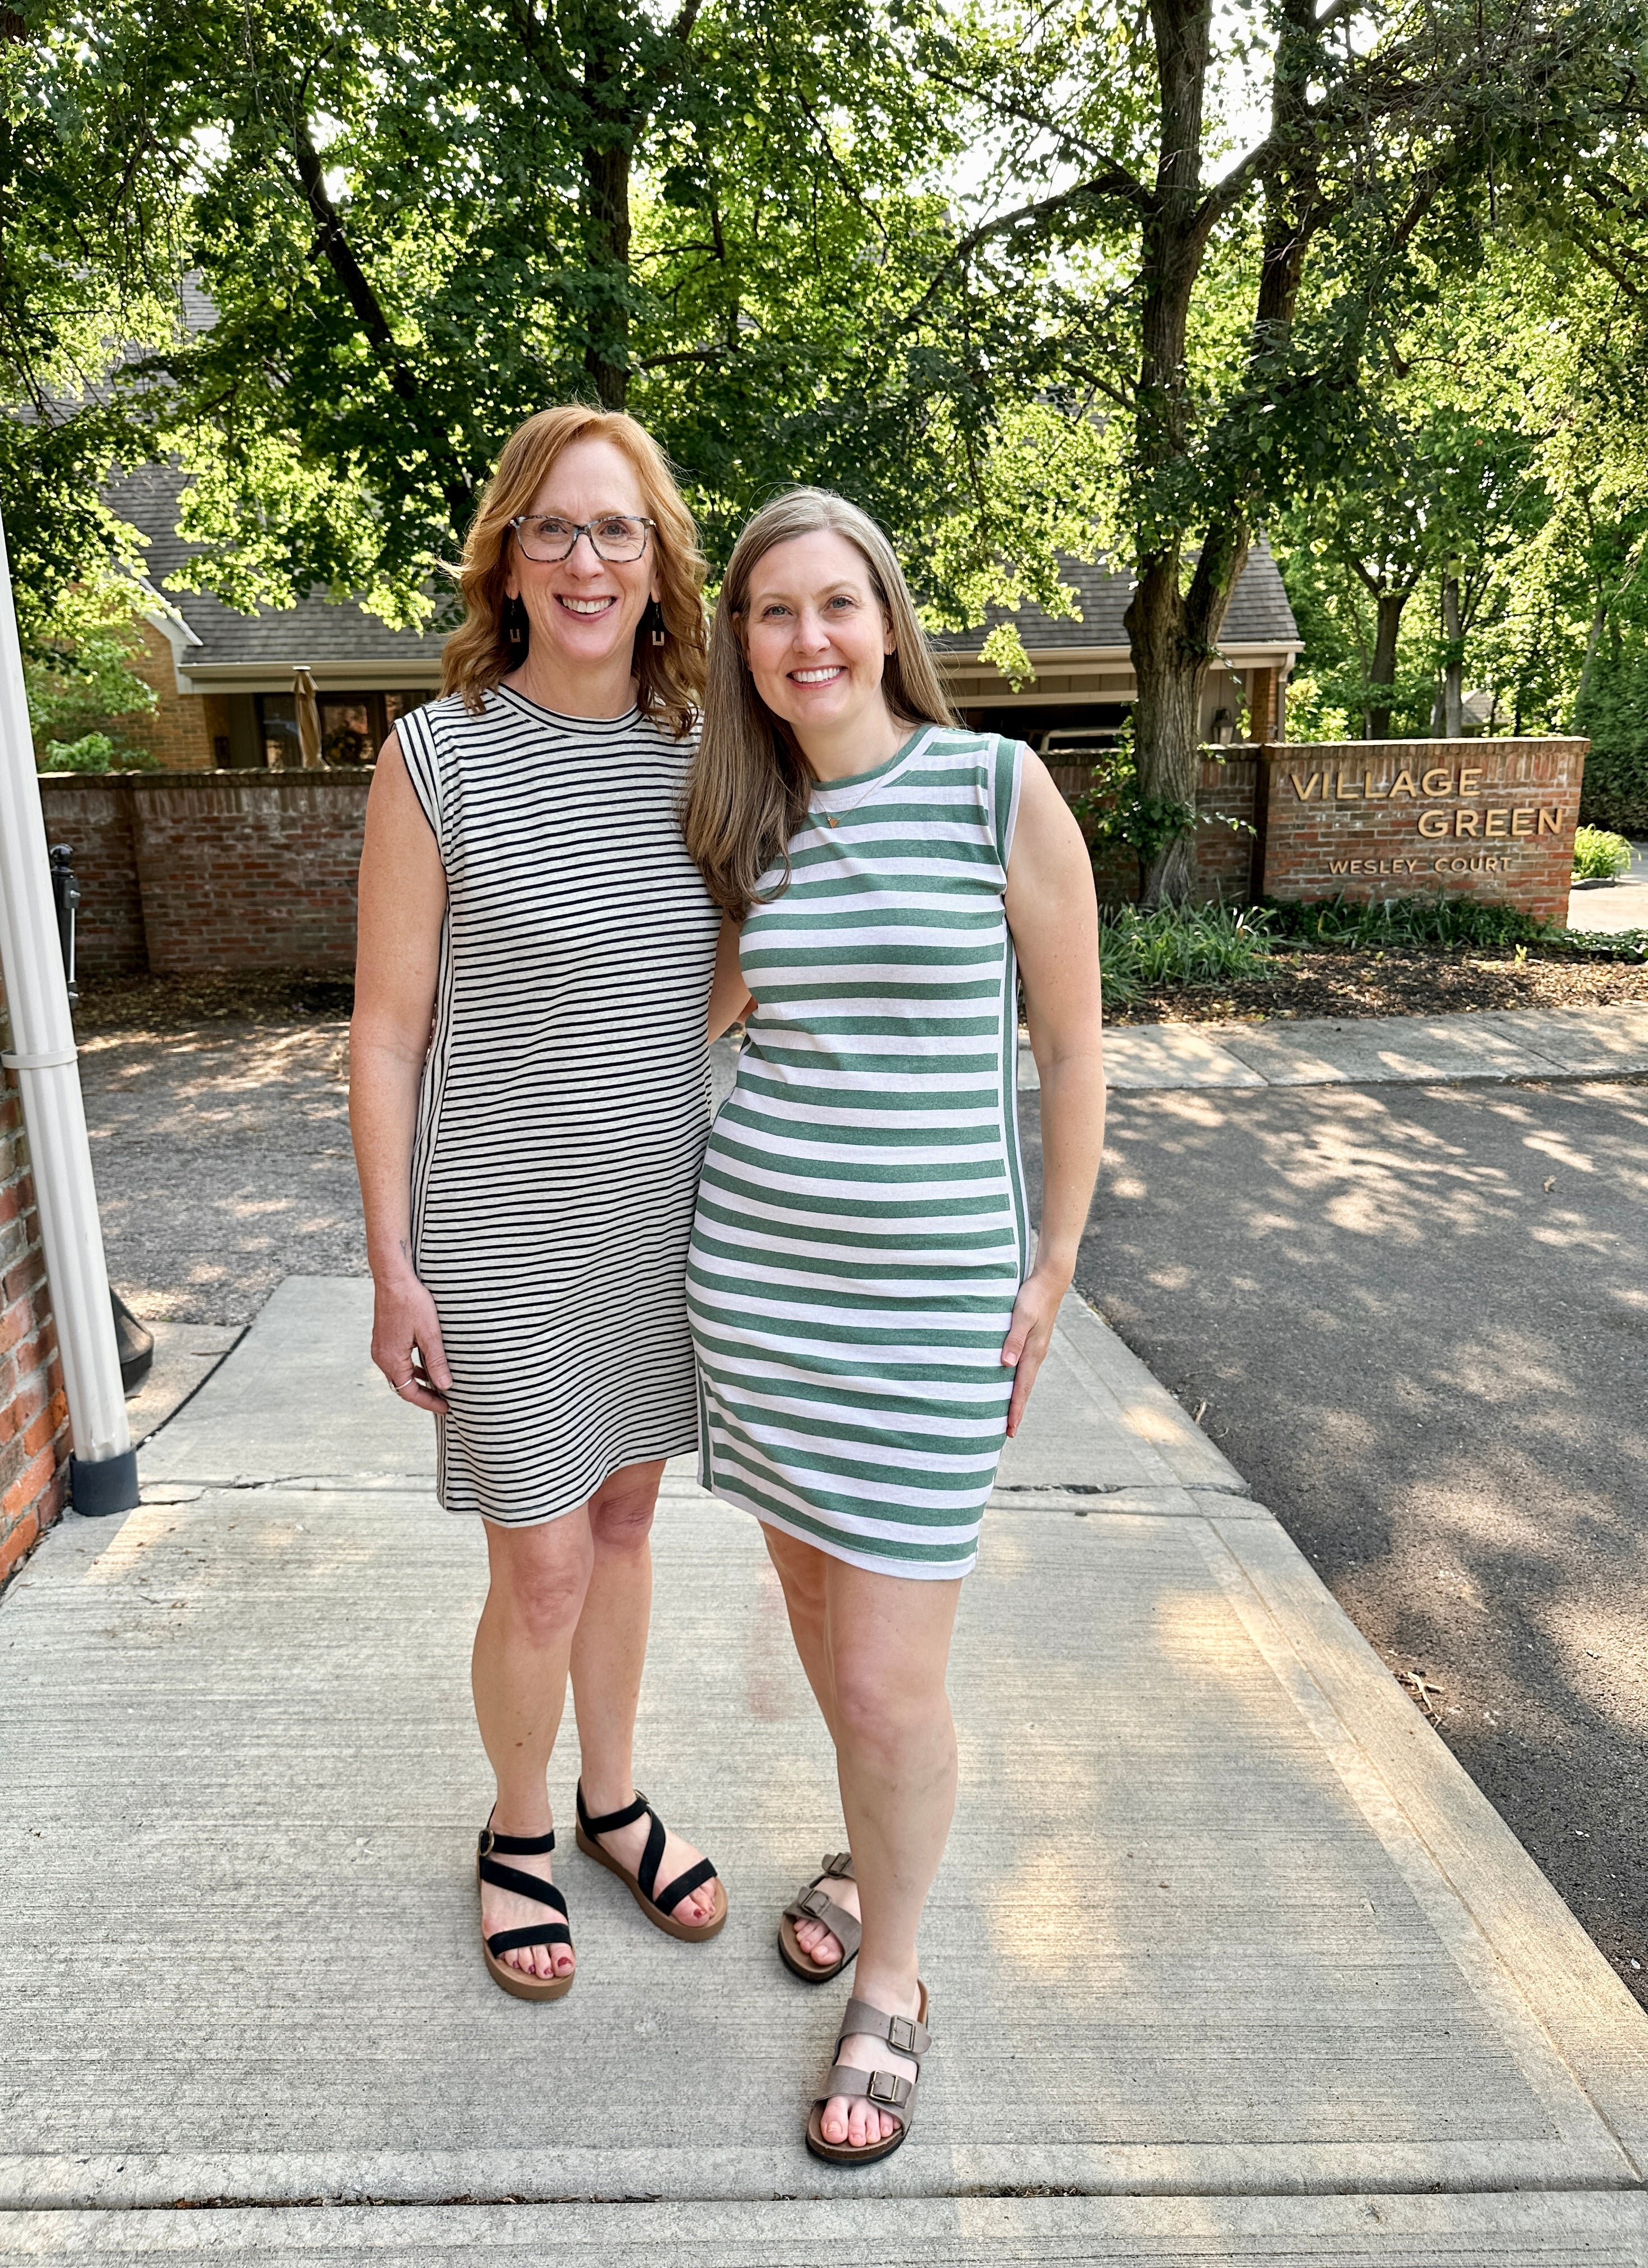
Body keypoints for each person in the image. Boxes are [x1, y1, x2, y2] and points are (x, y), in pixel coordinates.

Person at [684, 489, 1104, 2158]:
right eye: (773, 613)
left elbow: (1071, 1052)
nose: (808, 638)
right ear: (745, 643)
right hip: (763, 1294)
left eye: (834, 604)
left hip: (933, 1311)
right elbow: (690, 1028)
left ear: (885, 615)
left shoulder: (998, 789)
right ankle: (868, 1860)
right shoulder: (746, 818)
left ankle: (898, 1983)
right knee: (818, 1612)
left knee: (887, 1673)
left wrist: (1056, 1261)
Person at [349, 405, 728, 2003]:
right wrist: (393, 1267)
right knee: (543, 1563)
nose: (587, 559)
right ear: (508, 557)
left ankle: (612, 1796)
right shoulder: (433, 754)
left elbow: (739, 968)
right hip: (497, 1231)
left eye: (619, 530)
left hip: (663, 1219)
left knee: (631, 1522)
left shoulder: (715, 752)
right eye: (557, 529)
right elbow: (383, 1031)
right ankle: (517, 1833)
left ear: (660, 567)